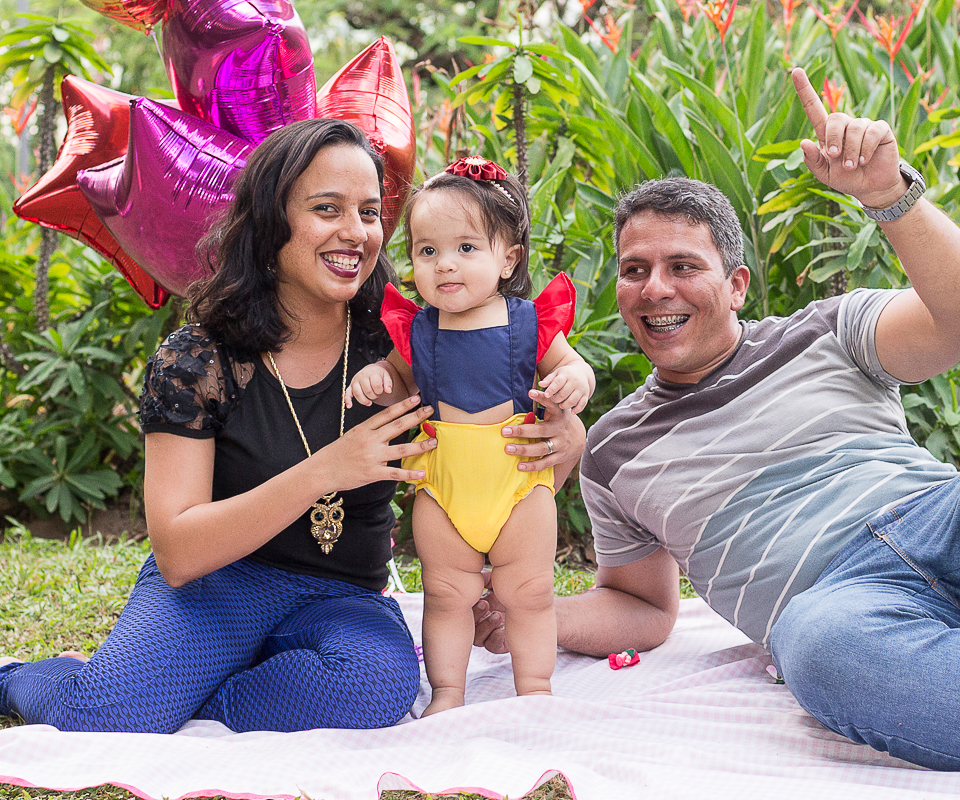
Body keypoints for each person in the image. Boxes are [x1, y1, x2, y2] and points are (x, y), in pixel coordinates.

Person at [472, 68, 960, 771]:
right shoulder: (615, 450)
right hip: (852, 615)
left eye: (682, 266)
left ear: (735, 284)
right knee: (817, 647)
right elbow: (643, 608)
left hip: (959, 529)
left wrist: (889, 195)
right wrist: (530, 612)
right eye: (634, 270)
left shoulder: (827, 330)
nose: (654, 288)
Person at [0, 119, 585, 734]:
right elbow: (176, 552)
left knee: (370, 692)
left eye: (367, 212)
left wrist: (565, 437)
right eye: (326, 209)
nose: (355, 233)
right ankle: (30, 678)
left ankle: (198, 694)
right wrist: (328, 469)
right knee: (110, 711)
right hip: (219, 584)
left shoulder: (405, 342)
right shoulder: (198, 358)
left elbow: (503, 435)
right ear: (269, 221)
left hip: (344, 598)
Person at [346, 156, 595, 716]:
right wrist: (377, 379)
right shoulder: (417, 329)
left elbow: (576, 366)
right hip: (443, 486)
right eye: (427, 251)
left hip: (518, 483)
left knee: (529, 593)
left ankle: (534, 689)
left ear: (508, 259)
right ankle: (449, 692)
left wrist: (573, 379)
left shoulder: (527, 323)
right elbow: (397, 383)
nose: (445, 265)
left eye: (466, 248)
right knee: (446, 594)